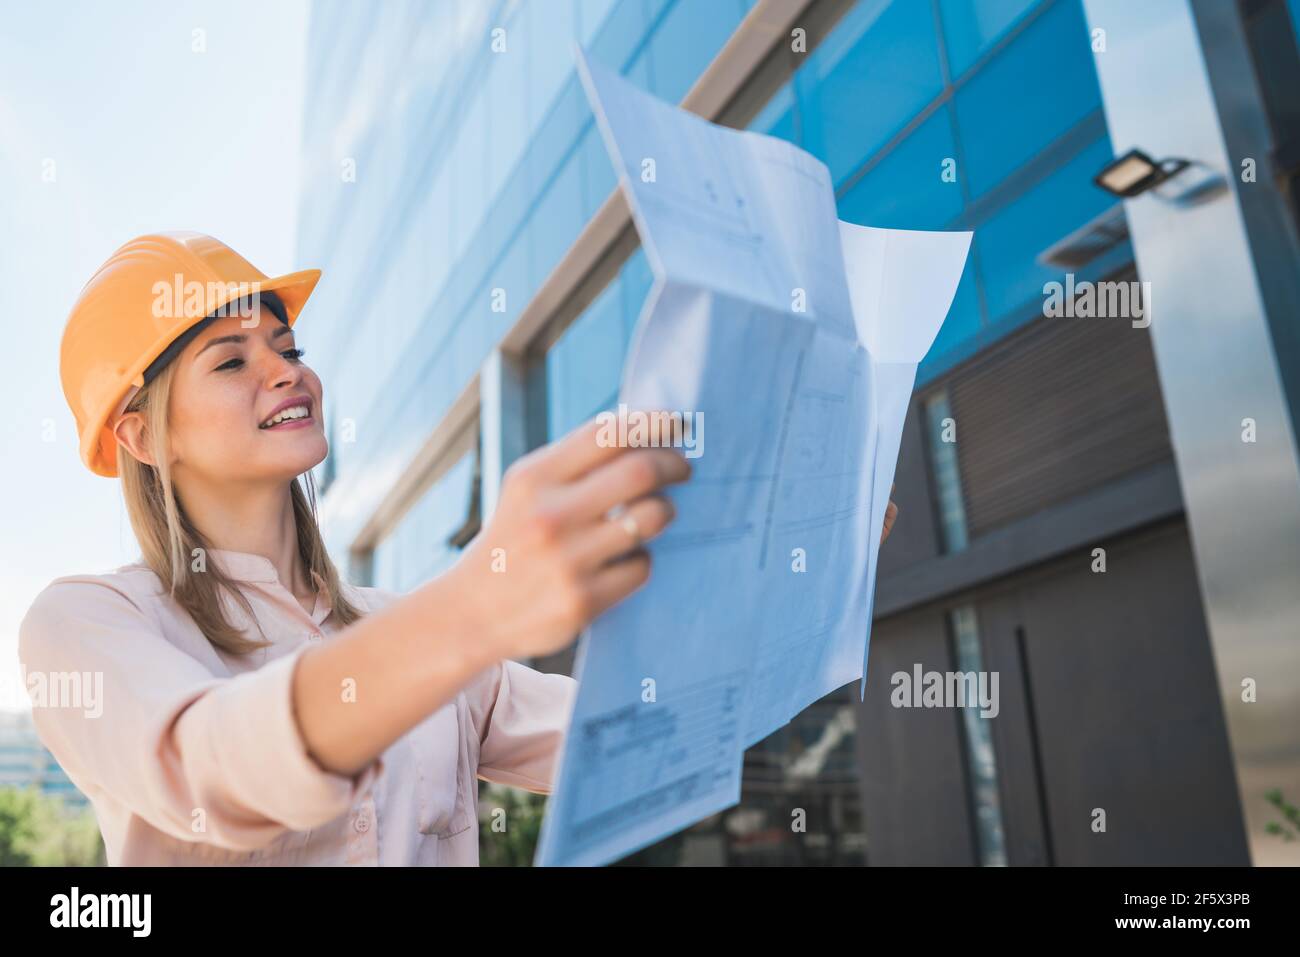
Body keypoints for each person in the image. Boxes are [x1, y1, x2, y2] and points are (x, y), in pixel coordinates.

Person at [20, 231, 895, 866]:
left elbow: (647, 732)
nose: (287, 371)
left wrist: (807, 583)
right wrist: (474, 608)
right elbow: (213, 769)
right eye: (230, 360)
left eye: (287, 346)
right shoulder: (90, 625)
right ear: (140, 436)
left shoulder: (407, 633)